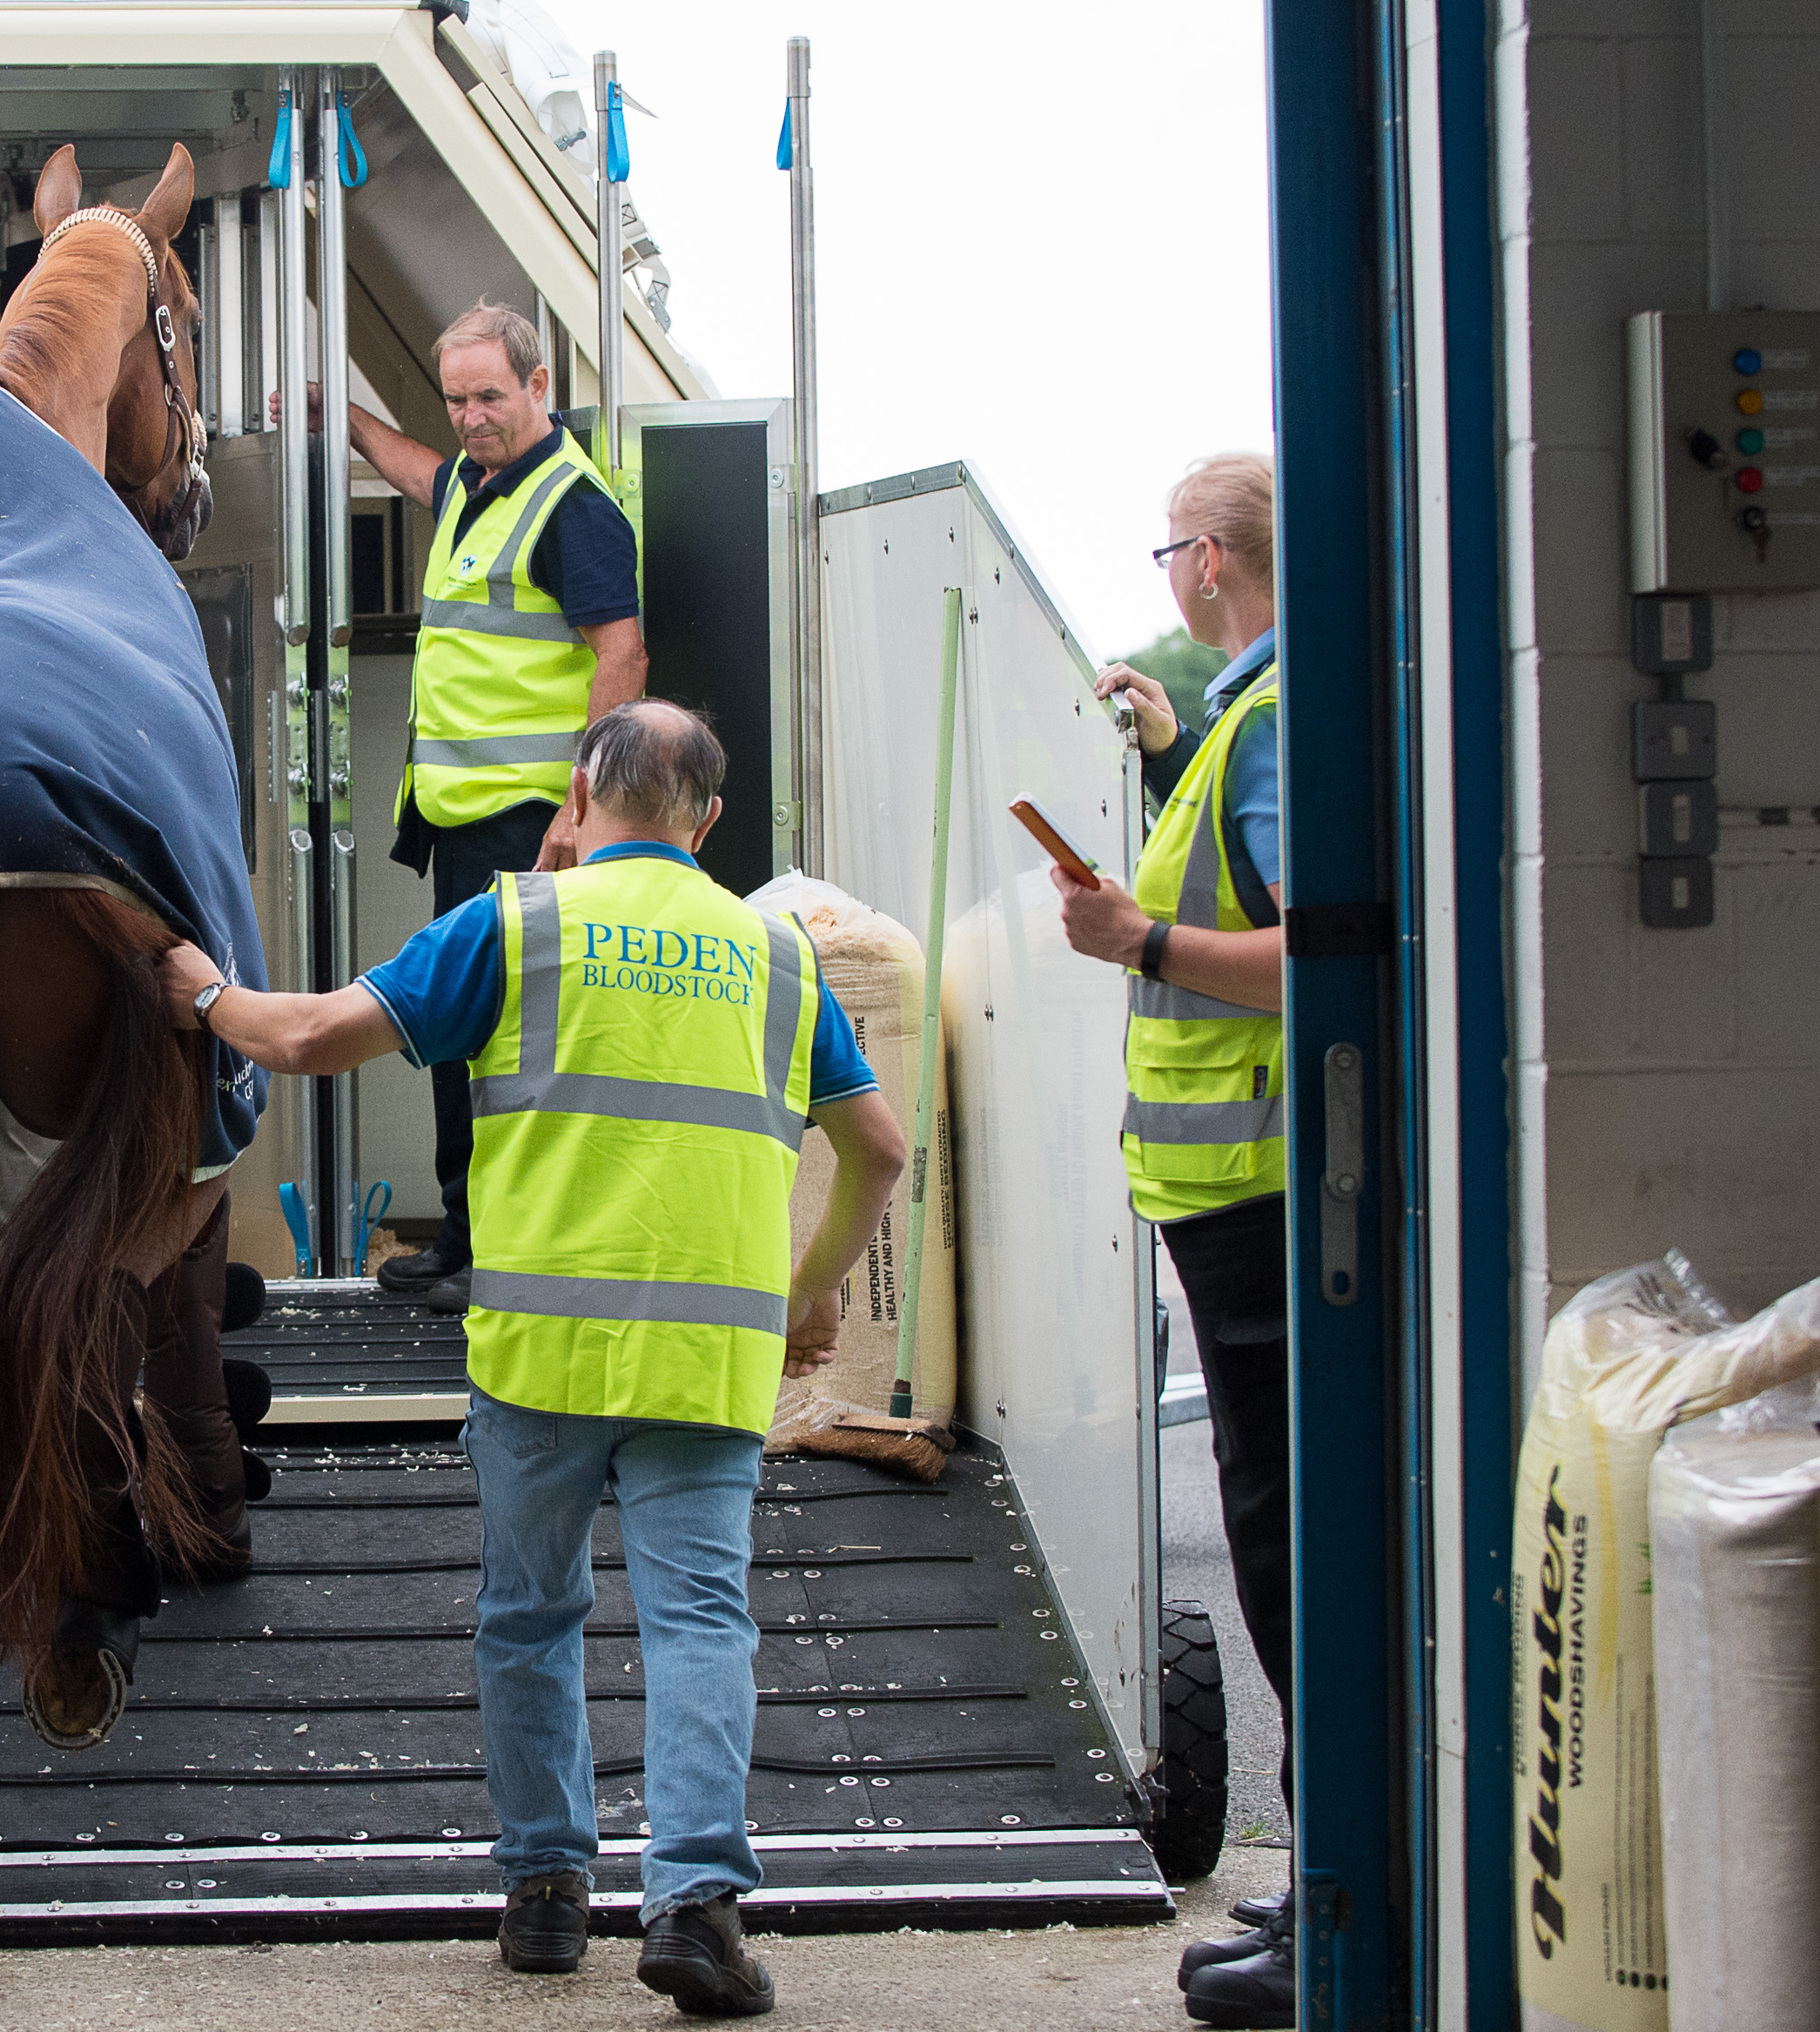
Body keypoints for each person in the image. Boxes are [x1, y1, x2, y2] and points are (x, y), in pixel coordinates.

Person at [162, 702, 904, 2015]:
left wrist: (205, 991)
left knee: (528, 1619)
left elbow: (310, 1039)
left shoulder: (513, 925)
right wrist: (813, 1288)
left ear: (578, 793)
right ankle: (692, 1905)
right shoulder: (779, 953)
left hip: (541, 1354)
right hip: (706, 1362)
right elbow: (882, 1149)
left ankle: (549, 1891)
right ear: (708, 820)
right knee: (698, 1623)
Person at [1049, 451, 1294, 2031]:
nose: (1166, 573)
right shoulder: (1244, 715)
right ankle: (1334, 1870)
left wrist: (1135, 937)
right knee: (1283, 1524)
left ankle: (1341, 1882)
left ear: (1207, 559)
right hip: (1244, 1201)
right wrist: (1161, 741)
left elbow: (1313, 942)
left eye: (1165, 550)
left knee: (1283, 1535)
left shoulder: (1272, 721)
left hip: (1269, 1197)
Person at [327, 302, 647, 1309]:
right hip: (462, 822)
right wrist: (339, 416)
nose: (470, 418)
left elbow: (622, 657)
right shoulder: (478, 482)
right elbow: (417, 468)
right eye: (457, 399)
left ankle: (505, 1258)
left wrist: (580, 810)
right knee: (461, 1030)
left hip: (527, 827)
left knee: (506, 1044)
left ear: (539, 387)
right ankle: (467, 1240)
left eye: (489, 398)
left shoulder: (571, 505)